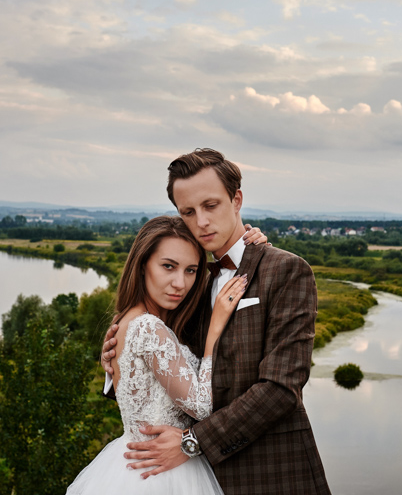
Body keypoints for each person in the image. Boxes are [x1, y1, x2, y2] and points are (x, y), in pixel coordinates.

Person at [102, 148, 331, 495]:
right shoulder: (191, 283)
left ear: (236, 200)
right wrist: (119, 359)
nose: (201, 222)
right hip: (189, 479)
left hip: (271, 473)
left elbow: (281, 389)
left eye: (211, 205)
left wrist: (192, 442)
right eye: (188, 212)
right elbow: (169, 373)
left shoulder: (286, 270)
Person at [67, 215, 249, 495]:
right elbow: (201, 407)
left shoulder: (127, 319)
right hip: (159, 473)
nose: (180, 283)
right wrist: (215, 330)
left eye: (191, 270)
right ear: (142, 266)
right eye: (168, 266)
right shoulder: (148, 327)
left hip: (134, 466)